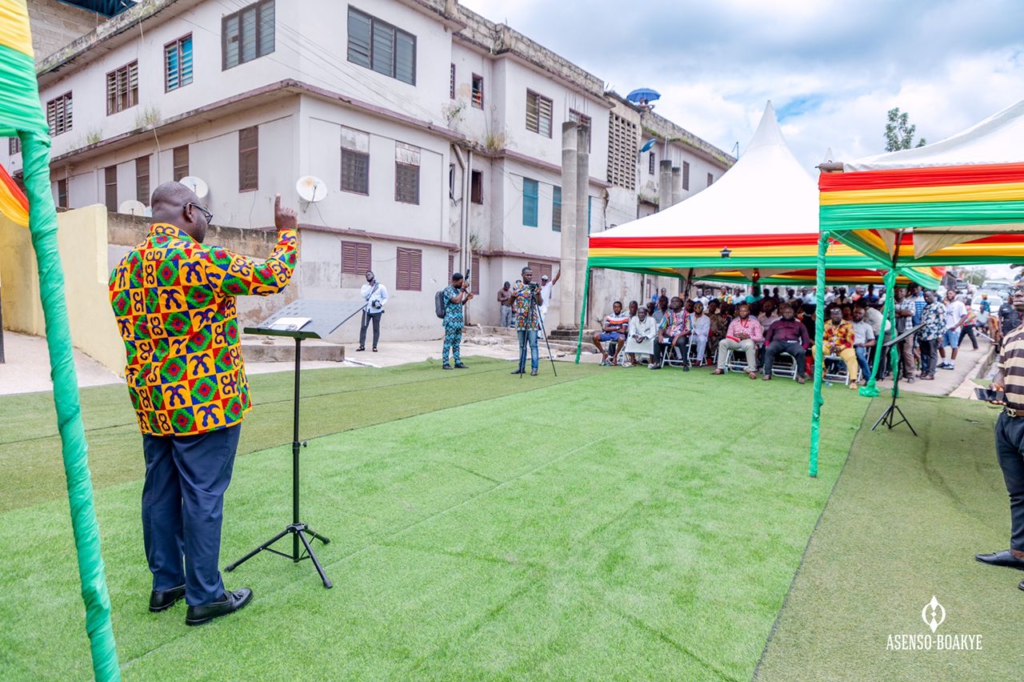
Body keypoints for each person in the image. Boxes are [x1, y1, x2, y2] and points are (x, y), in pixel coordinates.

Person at [109, 185, 298, 625]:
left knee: (159, 492)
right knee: (203, 496)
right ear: (190, 211)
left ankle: (166, 584)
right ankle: (205, 596)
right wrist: (287, 232)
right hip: (204, 403)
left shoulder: (124, 269)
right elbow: (272, 276)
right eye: (206, 216)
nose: (207, 225)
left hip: (153, 403)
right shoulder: (198, 259)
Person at [976, 282, 1024, 583]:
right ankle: (1019, 553)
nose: (1018, 293)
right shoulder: (1012, 334)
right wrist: (997, 384)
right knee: (1018, 493)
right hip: (1007, 422)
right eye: (1017, 289)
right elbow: (1002, 369)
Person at [712, 304, 762, 379]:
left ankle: (751, 370)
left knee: (750, 344)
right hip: (735, 341)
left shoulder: (755, 322)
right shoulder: (734, 322)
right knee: (723, 342)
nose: (742, 313)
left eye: (745, 311)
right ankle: (720, 368)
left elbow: (759, 337)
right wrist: (737, 337)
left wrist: (748, 336)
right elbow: (728, 335)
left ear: (749, 312)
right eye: (741, 311)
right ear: (738, 312)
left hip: (747, 341)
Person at [763, 304, 810, 383]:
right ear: (782, 313)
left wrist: (804, 347)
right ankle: (767, 373)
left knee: (801, 352)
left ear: (794, 313)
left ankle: (800, 375)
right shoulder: (776, 323)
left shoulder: (799, 324)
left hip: (793, 343)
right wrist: (767, 344)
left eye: (790, 312)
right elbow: (768, 335)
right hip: (777, 342)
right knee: (769, 349)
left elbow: (806, 338)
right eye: (785, 312)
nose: (787, 314)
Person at [511, 267, 543, 375]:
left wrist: (538, 294)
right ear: (522, 275)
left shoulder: (534, 287)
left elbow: (540, 303)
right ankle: (521, 367)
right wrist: (512, 296)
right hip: (520, 320)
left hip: (532, 320)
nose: (529, 277)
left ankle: (534, 368)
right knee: (522, 345)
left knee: (533, 345)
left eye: (531, 275)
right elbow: (509, 302)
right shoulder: (517, 287)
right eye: (527, 275)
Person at [817, 307, 858, 389]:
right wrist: (829, 346)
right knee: (816, 349)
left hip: (843, 348)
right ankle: (823, 369)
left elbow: (850, 341)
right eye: (833, 314)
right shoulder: (826, 324)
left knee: (851, 356)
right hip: (830, 347)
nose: (835, 316)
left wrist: (839, 348)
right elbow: (822, 339)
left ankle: (853, 381)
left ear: (841, 315)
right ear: (830, 315)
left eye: (838, 314)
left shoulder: (848, 325)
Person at [441, 272, 472, 370]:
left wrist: (467, 299)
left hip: (458, 321)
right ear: (454, 281)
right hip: (451, 321)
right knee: (448, 342)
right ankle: (445, 362)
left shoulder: (458, 290)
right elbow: (456, 300)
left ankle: (457, 361)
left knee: (457, 343)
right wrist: (463, 290)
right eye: (460, 282)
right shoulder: (448, 290)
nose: (461, 284)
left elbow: (459, 304)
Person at [651, 296, 691, 370]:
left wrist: (677, 337)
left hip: (681, 336)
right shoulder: (668, 314)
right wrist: (660, 335)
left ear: (680, 303)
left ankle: (685, 364)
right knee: (656, 341)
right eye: (672, 302)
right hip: (669, 336)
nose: (674, 303)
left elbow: (688, 330)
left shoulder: (686, 314)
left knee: (681, 341)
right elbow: (662, 327)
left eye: (676, 301)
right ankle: (657, 363)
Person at [358, 270, 388, 352]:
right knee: (363, 328)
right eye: (366, 275)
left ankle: (374, 346)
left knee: (376, 329)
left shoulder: (381, 286)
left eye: (369, 274)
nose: (368, 276)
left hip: (377, 312)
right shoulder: (365, 287)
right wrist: (371, 287)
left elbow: (385, 297)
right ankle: (362, 346)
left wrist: (381, 304)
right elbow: (363, 295)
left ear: (373, 275)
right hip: (366, 310)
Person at [918, 290, 945, 380]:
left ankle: (931, 373)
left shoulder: (939, 306)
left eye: (928, 296)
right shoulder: (925, 307)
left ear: (933, 295)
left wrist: (940, 335)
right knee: (924, 354)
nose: (926, 298)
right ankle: (924, 371)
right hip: (923, 335)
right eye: (925, 297)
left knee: (932, 354)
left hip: (933, 335)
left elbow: (942, 322)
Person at [593, 301, 629, 366]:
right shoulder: (609, 317)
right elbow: (605, 329)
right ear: (613, 308)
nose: (616, 309)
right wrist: (617, 328)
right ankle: (604, 354)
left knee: (621, 339)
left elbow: (623, 331)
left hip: (618, 335)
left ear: (621, 308)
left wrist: (611, 328)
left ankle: (615, 356)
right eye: (615, 307)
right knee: (595, 336)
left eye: (618, 307)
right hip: (609, 334)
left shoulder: (625, 318)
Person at [893, 287, 917, 383]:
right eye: (897, 290)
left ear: (905, 292)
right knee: (896, 353)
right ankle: (898, 373)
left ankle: (910, 375)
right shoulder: (891, 302)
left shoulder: (910, 302)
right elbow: (890, 314)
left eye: (901, 290)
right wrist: (903, 312)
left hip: (907, 331)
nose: (899, 292)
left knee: (907, 353)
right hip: (895, 331)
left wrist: (898, 312)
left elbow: (911, 313)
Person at [938, 290, 967, 370]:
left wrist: (957, 325)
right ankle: (944, 362)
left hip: (954, 329)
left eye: (951, 293)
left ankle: (952, 364)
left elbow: (964, 316)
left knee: (954, 346)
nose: (949, 295)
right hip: (945, 328)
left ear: (955, 294)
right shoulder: (946, 304)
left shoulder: (959, 304)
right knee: (940, 345)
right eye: (947, 293)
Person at [851, 307, 876, 384]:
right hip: (847, 346)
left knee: (859, 353)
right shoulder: (847, 324)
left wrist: (864, 344)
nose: (857, 314)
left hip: (860, 346)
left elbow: (872, 342)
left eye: (860, 313)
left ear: (863, 315)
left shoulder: (867, 326)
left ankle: (868, 378)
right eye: (856, 312)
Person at [538, 270, 561, 338]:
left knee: (541, 319)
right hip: (538, 305)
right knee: (537, 320)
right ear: (541, 280)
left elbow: (556, 278)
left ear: (547, 281)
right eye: (543, 280)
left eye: (545, 280)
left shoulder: (548, 285)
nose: (544, 281)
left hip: (544, 306)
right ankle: (538, 334)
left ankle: (539, 334)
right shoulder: (538, 287)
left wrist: (560, 271)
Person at [690, 301, 711, 365]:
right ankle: (680, 358)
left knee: (702, 339)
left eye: (700, 307)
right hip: (689, 336)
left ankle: (698, 360)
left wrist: (695, 331)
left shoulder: (706, 319)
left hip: (700, 336)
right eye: (696, 307)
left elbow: (705, 332)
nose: (698, 308)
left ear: (703, 308)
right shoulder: (689, 316)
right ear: (693, 308)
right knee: (677, 337)